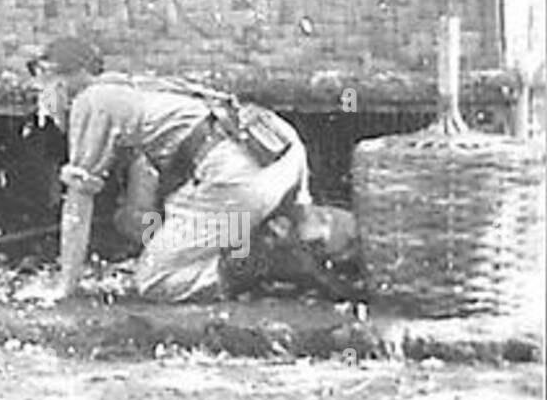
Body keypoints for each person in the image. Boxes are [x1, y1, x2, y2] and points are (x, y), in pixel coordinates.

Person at [26, 37, 358, 303]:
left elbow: (79, 201)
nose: (43, 97)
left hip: (234, 176)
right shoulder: (137, 89)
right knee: (187, 226)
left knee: (154, 280)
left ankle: (269, 260)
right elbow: (141, 208)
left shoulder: (91, 101)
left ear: (66, 76)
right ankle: (312, 238)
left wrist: (64, 287)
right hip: (280, 151)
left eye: (46, 83)